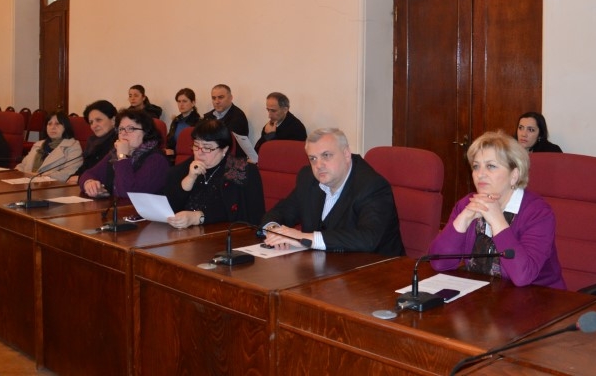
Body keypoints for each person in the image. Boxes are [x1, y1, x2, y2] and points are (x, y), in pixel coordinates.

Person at [428, 131, 565, 289]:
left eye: (491, 166)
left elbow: (523, 276)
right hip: (485, 296)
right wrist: (463, 219)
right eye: (476, 166)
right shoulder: (467, 204)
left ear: (514, 175)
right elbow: (439, 263)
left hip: (538, 298)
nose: (480, 174)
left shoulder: (538, 213)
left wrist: (497, 220)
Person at [260, 128, 405, 256]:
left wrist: (305, 238)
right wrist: (274, 231)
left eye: (326, 155)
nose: (318, 165)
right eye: (313, 158)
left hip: (376, 270)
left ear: (346, 154)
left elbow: (368, 238)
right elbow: (281, 211)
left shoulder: (371, 186)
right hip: (324, 267)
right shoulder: (308, 178)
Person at [164, 119, 265, 228]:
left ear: (224, 149)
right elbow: (168, 207)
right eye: (196, 145)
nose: (199, 153)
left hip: (225, 234)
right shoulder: (184, 168)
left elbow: (235, 211)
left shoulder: (240, 170)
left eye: (207, 148)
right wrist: (190, 178)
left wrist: (198, 217)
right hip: (185, 233)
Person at [78, 109, 168, 198]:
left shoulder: (157, 160)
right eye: (121, 129)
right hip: (116, 206)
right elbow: (88, 174)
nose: (123, 133)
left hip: (138, 207)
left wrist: (122, 157)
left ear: (146, 132)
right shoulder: (114, 154)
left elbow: (128, 194)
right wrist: (89, 183)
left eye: (130, 128)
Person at [16, 111, 83, 182]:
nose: (52, 127)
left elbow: (69, 172)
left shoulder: (73, 146)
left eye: (57, 124)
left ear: (65, 127)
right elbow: (22, 165)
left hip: (51, 186)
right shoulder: (38, 144)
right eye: (49, 124)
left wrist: (42, 176)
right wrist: (15, 173)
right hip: (26, 183)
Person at [74, 100, 118, 178]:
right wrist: (72, 177)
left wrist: (80, 178)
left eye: (98, 120)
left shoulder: (118, 142)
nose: (94, 126)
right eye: (91, 122)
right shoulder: (92, 141)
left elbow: (106, 173)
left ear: (113, 120)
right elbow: (85, 167)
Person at [165, 88, 200, 157]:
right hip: (173, 157)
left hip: (191, 157)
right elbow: (170, 141)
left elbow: (196, 146)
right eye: (179, 101)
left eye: (184, 101)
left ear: (193, 103)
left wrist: (174, 152)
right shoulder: (176, 120)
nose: (181, 104)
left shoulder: (198, 122)